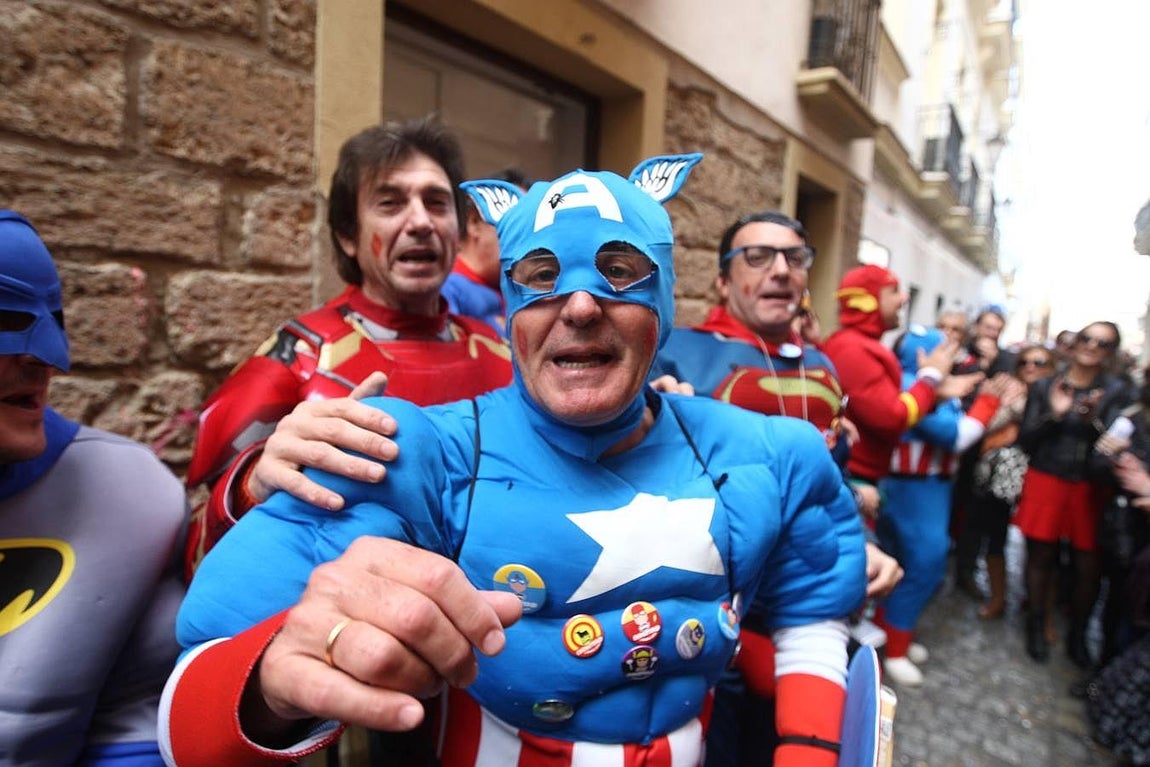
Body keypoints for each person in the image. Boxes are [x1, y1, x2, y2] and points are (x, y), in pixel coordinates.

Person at [158, 155, 868, 767]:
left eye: (620, 271)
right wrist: (271, 683)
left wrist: (808, 752)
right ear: (511, 305)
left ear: (662, 299)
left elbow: (812, 611)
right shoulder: (411, 456)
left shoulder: (766, 455)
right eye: (541, 275)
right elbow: (199, 690)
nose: (581, 304)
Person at [182, 117, 513, 577]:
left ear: (458, 231)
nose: (420, 222)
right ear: (348, 236)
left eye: (436, 202)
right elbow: (196, 558)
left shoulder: (503, 353)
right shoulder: (298, 356)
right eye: (390, 203)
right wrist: (251, 488)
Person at [649, 211, 902, 765]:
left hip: (804, 622)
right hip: (703, 625)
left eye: (795, 257)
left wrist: (862, 542)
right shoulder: (675, 355)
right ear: (723, 280)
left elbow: (829, 483)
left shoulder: (822, 366)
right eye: (758, 257)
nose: (781, 270)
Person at [0, 210, 188, 765]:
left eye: (53, 319)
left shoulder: (130, 500)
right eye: (7, 319)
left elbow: (134, 720)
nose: (48, 359)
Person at [871, 326, 1011, 686]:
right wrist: (988, 403)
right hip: (913, 488)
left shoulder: (923, 384)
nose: (954, 356)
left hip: (925, 487)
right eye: (945, 350)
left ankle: (892, 635)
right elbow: (957, 436)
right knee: (924, 565)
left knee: (902, 564)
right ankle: (894, 647)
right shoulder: (913, 385)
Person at [1014, 321, 1134, 665]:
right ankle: (1035, 627)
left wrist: (1092, 421)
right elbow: (1026, 440)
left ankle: (1077, 636)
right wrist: (1056, 414)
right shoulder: (1046, 385)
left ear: (1110, 352)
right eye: (1087, 338)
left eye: (1103, 343)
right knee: (1040, 557)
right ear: (1076, 342)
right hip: (1047, 477)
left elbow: (1117, 443)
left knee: (1088, 566)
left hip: (1090, 486)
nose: (1092, 346)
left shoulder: (1117, 391)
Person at [822, 265, 980, 494]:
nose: (904, 298)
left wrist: (934, 395)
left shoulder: (860, 345)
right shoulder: (852, 349)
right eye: (894, 291)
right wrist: (930, 377)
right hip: (854, 477)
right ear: (868, 300)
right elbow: (891, 417)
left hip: (864, 475)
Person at [954, 344, 1052, 621]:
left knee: (1041, 545)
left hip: (1040, 476)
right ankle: (998, 598)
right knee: (993, 535)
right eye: (1024, 362)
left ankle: (1038, 605)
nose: (1031, 367)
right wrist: (1012, 408)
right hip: (999, 474)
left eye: (1039, 362)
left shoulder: (1056, 395)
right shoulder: (1008, 391)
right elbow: (984, 424)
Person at [440, 167, 530, 335]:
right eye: (514, 223)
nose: (526, 237)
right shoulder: (445, 289)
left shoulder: (518, 290)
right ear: (474, 222)